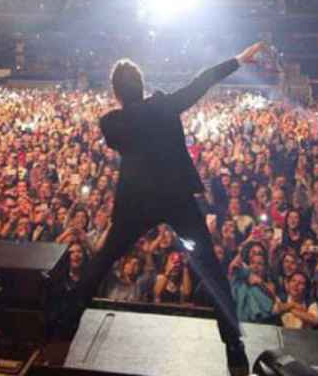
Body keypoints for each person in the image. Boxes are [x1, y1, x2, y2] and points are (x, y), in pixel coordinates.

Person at [57, 41, 266, 376]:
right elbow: (203, 81)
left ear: (116, 92)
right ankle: (234, 348)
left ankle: (64, 325)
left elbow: (127, 128)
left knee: (103, 259)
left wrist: (143, 102)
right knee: (209, 269)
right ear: (141, 85)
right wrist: (238, 60)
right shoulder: (165, 106)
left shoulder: (111, 123)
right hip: (176, 199)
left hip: (135, 203)